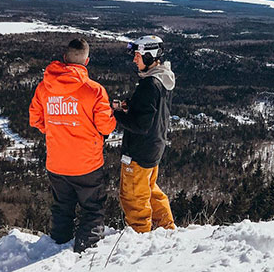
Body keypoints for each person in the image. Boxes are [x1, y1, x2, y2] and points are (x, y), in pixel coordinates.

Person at [29, 37, 116, 252]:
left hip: (57, 162)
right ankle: (85, 253)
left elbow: (36, 119)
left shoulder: (44, 87)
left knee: (62, 209)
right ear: (86, 61)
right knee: (92, 209)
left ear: (65, 58)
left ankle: (58, 247)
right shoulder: (94, 90)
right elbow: (106, 127)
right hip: (87, 163)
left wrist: (57, 129)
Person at [113, 35, 175, 233]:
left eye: (138, 55)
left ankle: (140, 236)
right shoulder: (162, 79)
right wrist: (129, 106)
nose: (134, 59)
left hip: (139, 150)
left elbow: (140, 125)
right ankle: (167, 228)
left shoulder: (149, 85)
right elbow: (151, 110)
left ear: (150, 56)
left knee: (132, 197)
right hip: (154, 146)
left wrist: (116, 114)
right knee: (150, 190)